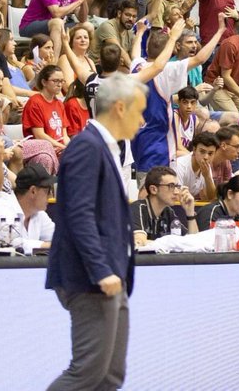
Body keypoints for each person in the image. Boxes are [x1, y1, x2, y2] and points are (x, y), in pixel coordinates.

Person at [45, 72, 148, 391]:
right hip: (91, 277)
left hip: (111, 275)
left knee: (110, 376)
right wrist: (101, 269)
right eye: (139, 111)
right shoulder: (86, 147)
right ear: (120, 107)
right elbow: (78, 215)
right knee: (87, 372)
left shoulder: (106, 148)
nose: (143, 121)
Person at [0, 163, 56, 252]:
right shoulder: (1, 209)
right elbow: (11, 244)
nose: (50, 196)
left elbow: (57, 237)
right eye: (47, 191)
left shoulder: (38, 213)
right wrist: (49, 245)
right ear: (33, 191)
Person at [130, 166, 199, 243]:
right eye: (171, 186)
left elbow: (194, 242)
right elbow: (139, 242)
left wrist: (190, 214)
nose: (176, 192)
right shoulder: (137, 209)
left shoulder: (168, 211)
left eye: (177, 186)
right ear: (153, 189)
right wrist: (172, 244)